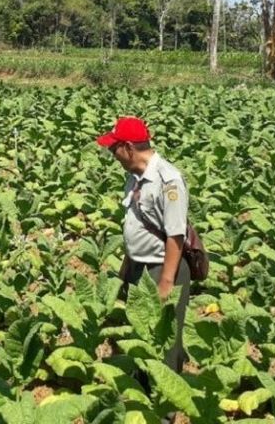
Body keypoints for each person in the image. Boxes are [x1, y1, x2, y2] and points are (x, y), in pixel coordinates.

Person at [96, 116, 191, 373]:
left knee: (166, 341)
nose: (111, 154)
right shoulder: (134, 176)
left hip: (162, 268)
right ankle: (142, 387)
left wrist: (166, 283)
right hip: (139, 268)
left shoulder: (168, 180)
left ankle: (164, 409)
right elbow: (135, 224)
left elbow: (175, 235)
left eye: (113, 148)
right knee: (141, 333)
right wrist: (125, 270)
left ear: (128, 147)